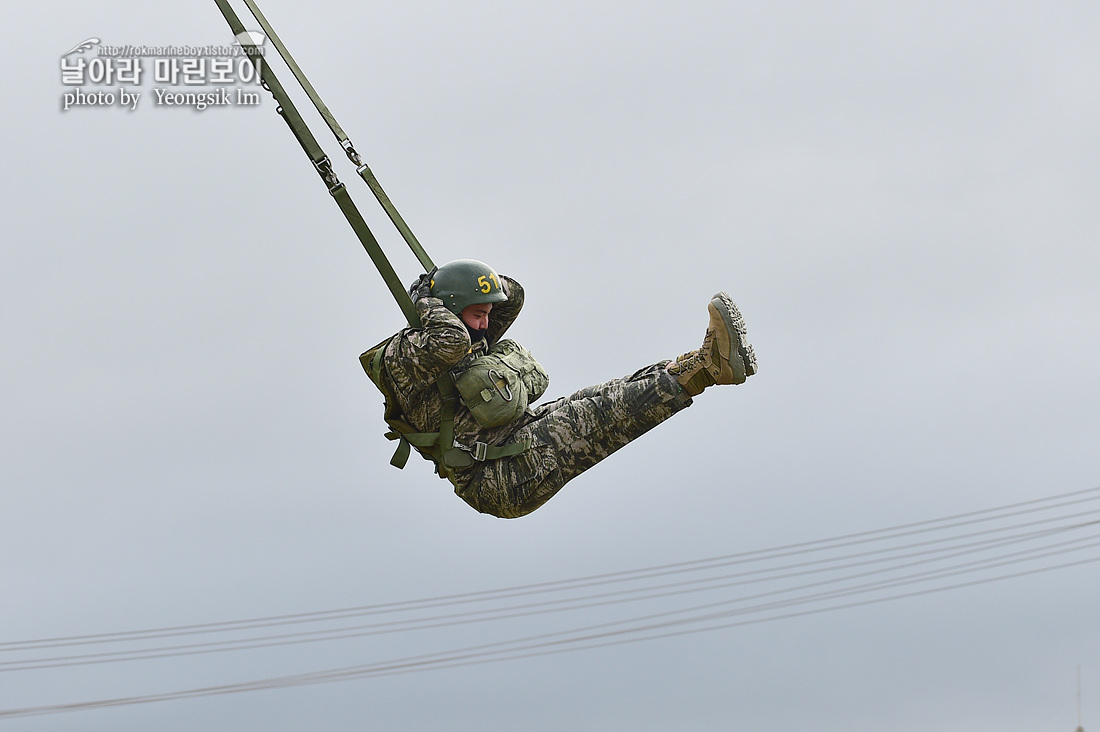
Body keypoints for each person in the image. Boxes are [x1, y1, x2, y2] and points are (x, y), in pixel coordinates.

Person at [371, 258, 757, 518]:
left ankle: (701, 363)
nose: (487, 326)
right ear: (450, 310)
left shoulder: (460, 327)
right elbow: (451, 339)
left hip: (513, 437)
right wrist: (427, 300)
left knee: (602, 397)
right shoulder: (408, 355)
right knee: (592, 416)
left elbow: (513, 295)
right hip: (494, 474)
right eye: (478, 314)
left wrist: (461, 284)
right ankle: (709, 370)